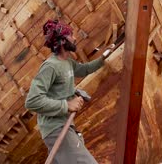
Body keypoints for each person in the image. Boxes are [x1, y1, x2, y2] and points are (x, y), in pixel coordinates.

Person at [25, 19, 113, 163]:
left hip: (65, 126)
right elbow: (32, 101)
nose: (75, 38)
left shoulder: (68, 63)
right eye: (71, 35)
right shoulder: (51, 66)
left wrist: (103, 57)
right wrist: (67, 105)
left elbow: (84, 69)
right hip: (56, 129)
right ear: (62, 40)